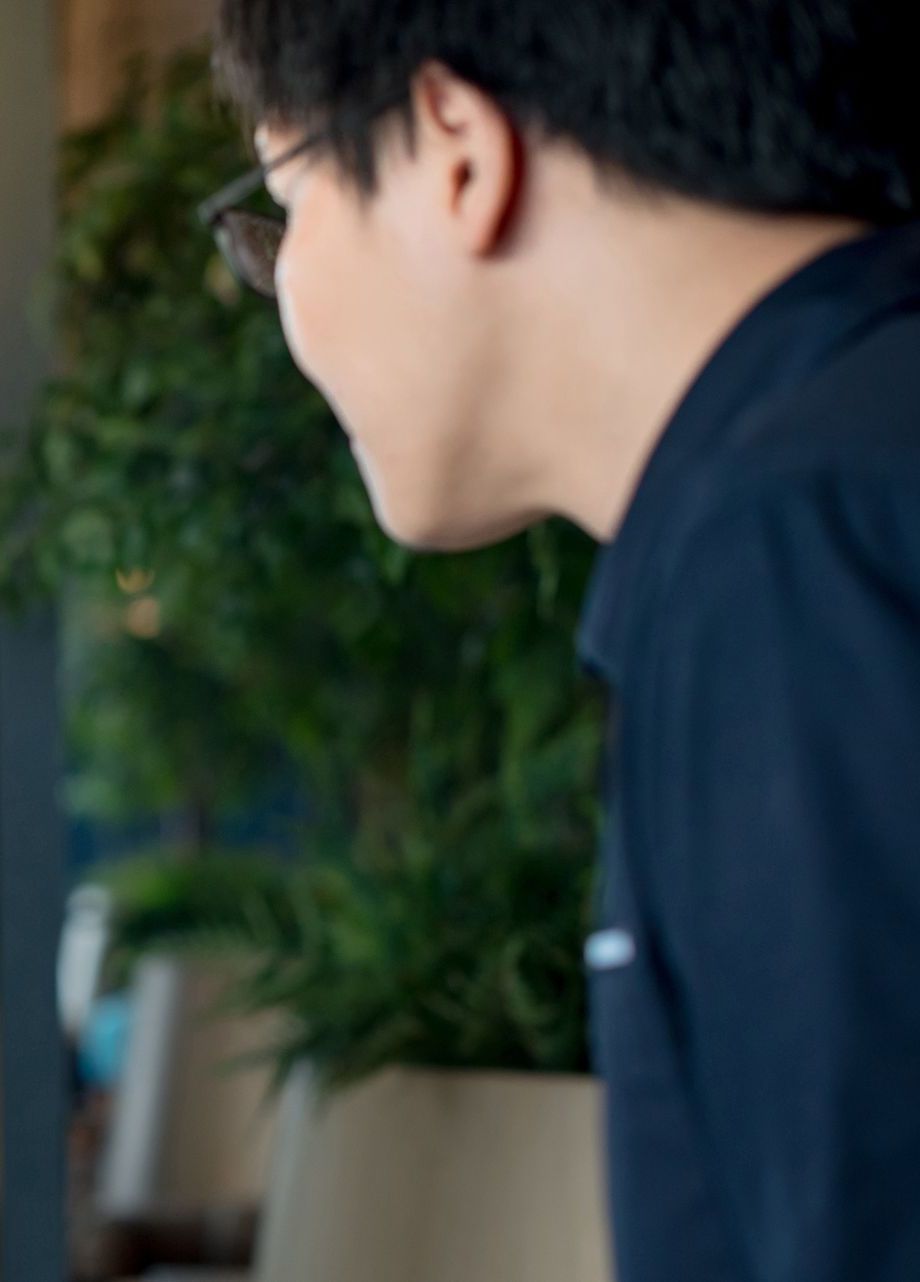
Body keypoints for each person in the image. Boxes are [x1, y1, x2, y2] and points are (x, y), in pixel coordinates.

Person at [207, 2, 920, 1279]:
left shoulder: (791, 550)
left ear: (456, 146)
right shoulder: (853, 457)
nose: (284, 294)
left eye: (287, 205)